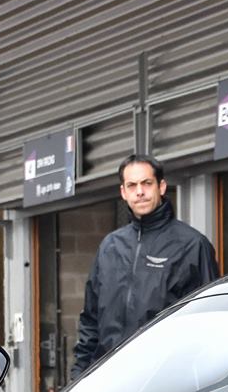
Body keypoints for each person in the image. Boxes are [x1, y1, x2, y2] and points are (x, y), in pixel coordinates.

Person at [74, 154, 218, 375]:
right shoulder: (110, 246)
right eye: (131, 185)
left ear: (161, 187)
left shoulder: (191, 245)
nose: (139, 191)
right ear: (123, 192)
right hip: (107, 379)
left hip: (164, 380)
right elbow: (90, 319)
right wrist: (79, 375)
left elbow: (208, 322)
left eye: (146, 183)